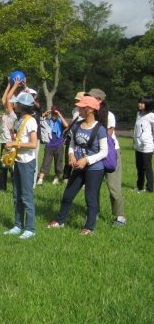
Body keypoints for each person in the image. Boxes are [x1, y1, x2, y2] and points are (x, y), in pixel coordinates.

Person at [49, 95, 108, 234]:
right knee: (68, 195)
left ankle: (89, 227)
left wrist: (87, 160)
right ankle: (60, 221)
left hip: (94, 169)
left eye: (82, 107)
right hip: (78, 168)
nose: (79, 108)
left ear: (90, 110)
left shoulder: (100, 129)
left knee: (90, 198)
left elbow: (104, 152)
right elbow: (72, 143)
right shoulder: (76, 125)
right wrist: (71, 154)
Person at [87, 88, 126, 226]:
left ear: (99, 100)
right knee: (94, 186)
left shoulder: (109, 116)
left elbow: (106, 138)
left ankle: (120, 216)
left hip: (110, 154)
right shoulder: (89, 114)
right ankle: (94, 213)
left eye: (91, 98)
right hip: (95, 153)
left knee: (114, 188)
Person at [3, 92, 38, 239]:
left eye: (16, 103)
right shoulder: (20, 119)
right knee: (16, 195)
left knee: (26, 196)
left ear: (23, 106)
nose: (14, 104)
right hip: (17, 161)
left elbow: (33, 143)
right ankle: (18, 225)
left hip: (27, 163)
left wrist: (15, 144)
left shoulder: (31, 121)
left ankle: (30, 228)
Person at [0, 79, 21, 193]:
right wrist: (8, 85)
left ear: (14, 105)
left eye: (10, 102)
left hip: (10, 143)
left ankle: (16, 188)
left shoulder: (12, 115)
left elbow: (6, 98)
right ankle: (1, 187)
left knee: (10, 166)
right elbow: (3, 99)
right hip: (3, 142)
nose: (7, 102)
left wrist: (14, 86)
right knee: (3, 166)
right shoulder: (6, 113)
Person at [37, 106, 69, 185]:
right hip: (49, 145)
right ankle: (40, 179)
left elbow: (66, 125)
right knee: (46, 162)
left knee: (58, 163)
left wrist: (59, 115)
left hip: (59, 145)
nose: (54, 115)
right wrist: (44, 114)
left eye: (55, 114)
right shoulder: (48, 121)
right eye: (52, 113)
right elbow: (39, 120)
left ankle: (56, 178)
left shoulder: (60, 122)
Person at [133, 97, 154, 193]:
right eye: (139, 102)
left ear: (147, 104)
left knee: (147, 167)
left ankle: (149, 188)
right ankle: (139, 186)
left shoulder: (151, 116)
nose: (140, 104)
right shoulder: (138, 114)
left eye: (142, 103)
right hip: (138, 145)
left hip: (147, 146)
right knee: (139, 167)